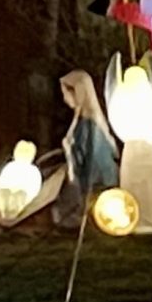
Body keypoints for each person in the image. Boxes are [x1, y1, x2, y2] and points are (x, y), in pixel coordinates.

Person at [52, 70, 121, 231]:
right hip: (82, 175)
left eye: (66, 94)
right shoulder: (81, 121)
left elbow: (93, 160)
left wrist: (85, 188)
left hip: (96, 181)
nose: (64, 99)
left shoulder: (91, 126)